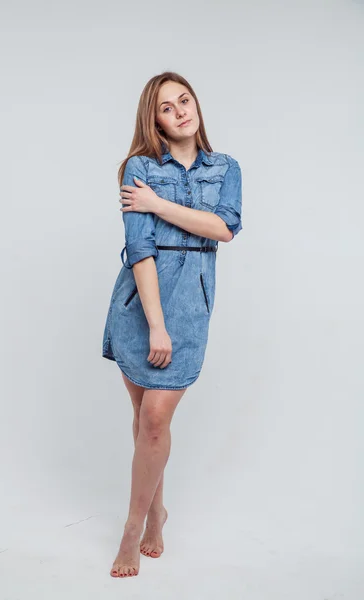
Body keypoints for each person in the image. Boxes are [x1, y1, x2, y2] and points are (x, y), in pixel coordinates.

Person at [102, 71, 243, 577]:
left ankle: (132, 527)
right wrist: (155, 325)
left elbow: (224, 228)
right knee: (146, 421)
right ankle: (155, 513)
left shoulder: (226, 168)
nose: (181, 110)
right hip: (140, 303)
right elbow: (140, 248)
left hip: (192, 304)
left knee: (155, 420)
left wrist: (158, 204)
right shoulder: (138, 166)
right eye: (167, 107)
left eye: (185, 100)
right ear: (155, 120)